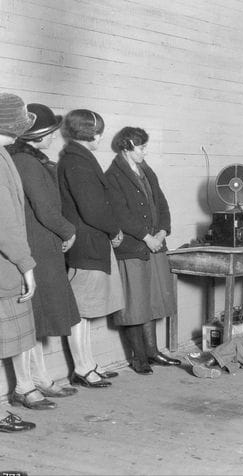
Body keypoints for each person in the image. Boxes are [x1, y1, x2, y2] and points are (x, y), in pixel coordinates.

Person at [7, 103, 81, 399]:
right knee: (31, 320)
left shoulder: (28, 159)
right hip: (37, 249)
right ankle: (25, 385)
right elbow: (45, 209)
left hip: (43, 248)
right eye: (51, 132)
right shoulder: (26, 162)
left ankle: (40, 378)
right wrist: (69, 230)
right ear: (39, 136)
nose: (54, 137)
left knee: (37, 321)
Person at [58, 109, 124, 388]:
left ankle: (88, 364)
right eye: (99, 132)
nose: (100, 137)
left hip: (90, 243)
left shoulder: (77, 158)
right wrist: (114, 230)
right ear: (94, 134)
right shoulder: (77, 161)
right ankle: (82, 368)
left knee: (84, 312)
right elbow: (92, 209)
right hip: (87, 243)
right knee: (80, 311)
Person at [105, 127, 180, 375]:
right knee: (135, 304)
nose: (145, 151)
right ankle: (139, 358)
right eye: (141, 147)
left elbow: (162, 203)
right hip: (133, 247)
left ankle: (152, 351)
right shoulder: (113, 175)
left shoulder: (147, 170)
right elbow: (119, 214)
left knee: (151, 300)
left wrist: (161, 232)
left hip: (155, 245)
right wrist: (147, 237)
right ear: (126, 148)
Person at [0, 92, 52, 423]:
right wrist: (26, 264)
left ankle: (23, 387)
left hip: (7, 265)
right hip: (5, 266)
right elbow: (4, 222)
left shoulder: (3, 154)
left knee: (15, 334)